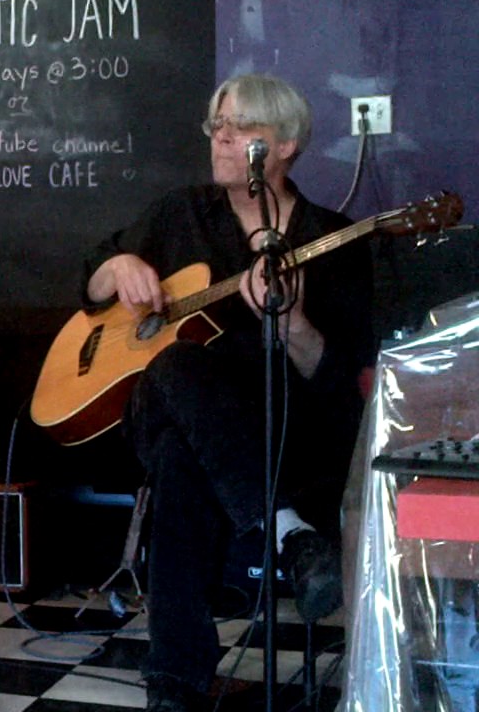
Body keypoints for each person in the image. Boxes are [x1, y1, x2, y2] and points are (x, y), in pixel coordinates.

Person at [80, 74, 376, 711]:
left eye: (241, 128)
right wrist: (120, 266)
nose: (220, 137)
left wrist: (293, 325)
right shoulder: (179, 213)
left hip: (280, 431)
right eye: (217, 124)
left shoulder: (332, 240)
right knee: (180, 362)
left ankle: (175, 683)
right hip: (162, 406)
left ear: (286, 144)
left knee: (181, 463)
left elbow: (340, 387)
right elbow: (90, 281)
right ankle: (290, 534)